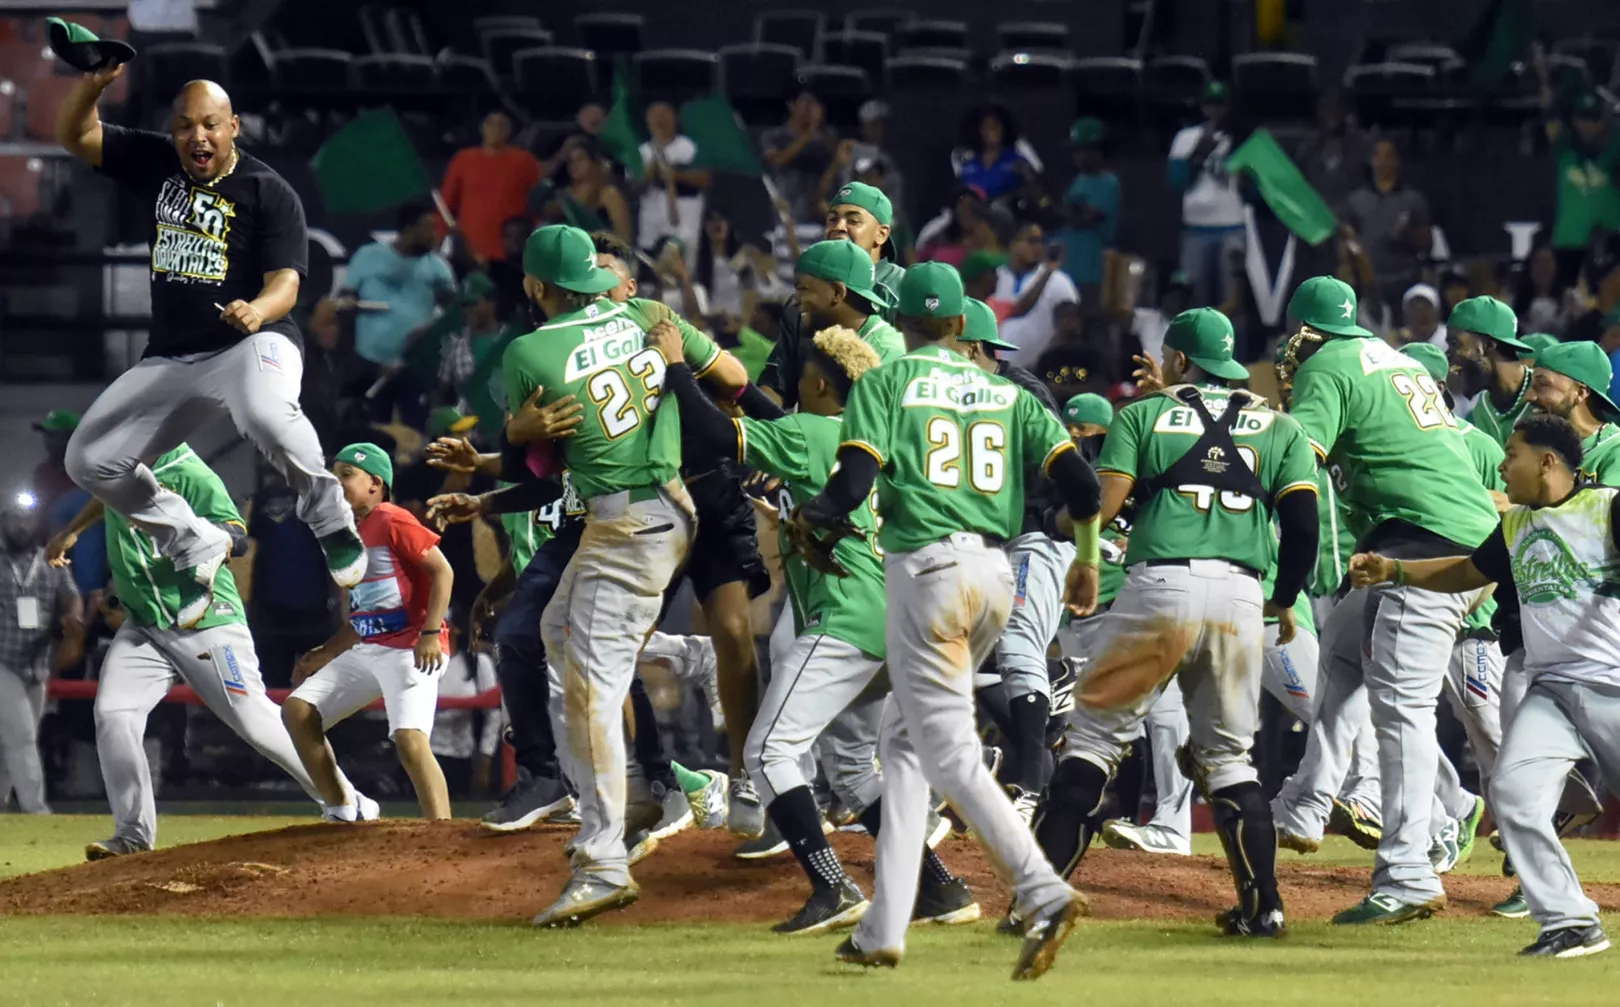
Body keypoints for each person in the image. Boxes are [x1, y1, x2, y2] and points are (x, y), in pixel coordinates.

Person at [793, 262, 1101, 979]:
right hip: (995, 576)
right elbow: (1082, 483)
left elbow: (854, 483)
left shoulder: (885, 382)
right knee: (903, 745)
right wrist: (1085, 555)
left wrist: (815, 516)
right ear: (962, 325)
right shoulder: (1007, 392)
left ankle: (1043, 888)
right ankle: (884, 925)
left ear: (900, 322)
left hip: (928, 574)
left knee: (951, 752)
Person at [653, 322, 979, 933]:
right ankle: (940, 890)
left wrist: (677, 365)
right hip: (904, 623)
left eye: (805, 375)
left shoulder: (811, 430)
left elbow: (715, 433)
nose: (798, 384)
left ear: (823, 384)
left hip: (848, 622)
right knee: (855, 770)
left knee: (769, 749)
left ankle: (834, 887)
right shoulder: (883, 440)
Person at [1034, 307, 1318, 938]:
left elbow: (1100, 508)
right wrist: (1285, 598)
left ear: (1181, 361)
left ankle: (1041, 901)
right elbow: (1302, 528)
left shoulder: (1140, 414)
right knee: (1228, 759)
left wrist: (1065, 537)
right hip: (1242, 595)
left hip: (1158, 585)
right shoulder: (1281, 428)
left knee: (1094, 743)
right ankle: (1263, 907)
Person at [498, 224, 745, 926]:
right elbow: (732, 379)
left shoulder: (528, 347)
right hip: (669, 505)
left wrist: (521, 429)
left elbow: (530, 454)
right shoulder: (647, 314)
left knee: (590, 689)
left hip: (625, 521)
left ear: (537, 286)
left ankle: (602, 858)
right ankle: (639, 772)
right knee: (556, 629)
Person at [53, 71, 366, 621]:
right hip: (173, 357)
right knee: (87, 459)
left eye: (211, 125)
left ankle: (330, 518)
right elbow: (75, 134)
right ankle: (190, 540)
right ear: (172, 132)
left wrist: (259, 307)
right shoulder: (157, 164)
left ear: (234, 129)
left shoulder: (269, 190)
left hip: (254, 343)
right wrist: (94, 83)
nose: (198, 136)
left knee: (266, 414)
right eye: (185, 126)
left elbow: (288, 284)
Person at [1349, 413, 1616, 958]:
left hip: (1612, 685)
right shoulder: (1517, 525)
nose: (1501, 464)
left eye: (1512, 453)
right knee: (1514, 796)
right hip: (1552, 692)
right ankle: (1569, 921)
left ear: (1548, 462)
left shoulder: (1609, 507)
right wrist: (1396, 572)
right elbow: (1468, 572)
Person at [1277, 275, 1500, 924]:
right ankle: (1305, 803)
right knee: (1342, 653)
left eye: (1298, 333)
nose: (1295, 347)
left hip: (1425, 544)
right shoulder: (1390, 356)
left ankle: (1409, 867)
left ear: (1310, 329)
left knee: (1401, 705)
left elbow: (1298, 458)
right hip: (1447, 540)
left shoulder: (1327, 363)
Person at [47, 445, 362, 855]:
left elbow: (237, 537)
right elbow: (107, 492)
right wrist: (74, 528)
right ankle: (133, 836)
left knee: (253, 720)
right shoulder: (118, 461)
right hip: (144, 623)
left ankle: (348, 801)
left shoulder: (189, 470)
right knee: (113, 715)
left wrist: (202, 538)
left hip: (206, 618)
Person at [282, 443, 455, 821]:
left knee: (410, 741)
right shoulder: (345, 532)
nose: (335, 482)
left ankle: (443, 836)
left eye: (346, 474)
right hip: (371, 646)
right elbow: (364, 614)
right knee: (298, 711)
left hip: (412, 647)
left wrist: (429, 633)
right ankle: (343, 807)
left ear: (376, 484)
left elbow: (443, 571)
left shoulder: (393, 519)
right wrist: (327, 652)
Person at [760, 182, 905, 409]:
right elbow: (777, 384)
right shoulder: (804, 300)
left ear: (881, 234)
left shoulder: (900, 291)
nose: (839, 227)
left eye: (853, 220)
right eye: (832, 219)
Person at [342, 198, 459, 425]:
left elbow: (454, 314)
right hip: (369, 363)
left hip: (413, 364)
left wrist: (431, 330)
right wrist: (349, 305)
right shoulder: (369, 256)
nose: (434, 234)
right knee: (371, 432)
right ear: (409, 229)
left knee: (416, 431)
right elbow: (346, 297)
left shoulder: (438, 268)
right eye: (428, 228)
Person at [0, 496, 82, 813]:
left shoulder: (51, 560)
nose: (21, 526)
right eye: (14, 519)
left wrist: (73, 617)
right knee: (21, 738)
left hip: (38, 663)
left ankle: (2, 805)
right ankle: (36, 809)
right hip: (3, 660)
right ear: (3, 521)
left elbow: (72, 595)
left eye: (27, 519)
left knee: (14, 739)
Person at [1536, 45, 1620, 285]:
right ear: (1574, 119)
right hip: (1569, 242)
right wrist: (1543, 79)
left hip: (1613, 239)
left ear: (1603, 121)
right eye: (1583, 118)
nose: (1587, 125)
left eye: (1593, 118)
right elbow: (1550, 115)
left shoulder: (1615, 148)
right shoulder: (1566, 150)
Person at [1168, 80, 1245, 309]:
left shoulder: (1240, 138)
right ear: (1203, 107)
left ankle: (1232, 346)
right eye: (1211, 104)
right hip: (1195, 229)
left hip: (1232, 226)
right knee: (1193, 300)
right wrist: (1198, 152)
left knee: (1231, 300)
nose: (1215, 110)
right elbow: (1175, 181)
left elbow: (1254, 187)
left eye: (1220, 104)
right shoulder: (1185, 137)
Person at [1344, 139, 1433, 322]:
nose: (1383, 161)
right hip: (1369, 285)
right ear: (1372, 160)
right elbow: (1348, 241)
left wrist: (1408, 233)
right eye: (1379, 156)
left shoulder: (1413, 200)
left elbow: (1427, 243)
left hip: (1404, 282)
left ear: (1396, 160)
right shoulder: (1356, 200)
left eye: (1389, 156)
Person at [440, 111, 540, 265]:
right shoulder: (463, 159)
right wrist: (439, 235)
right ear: (482, 128)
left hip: (511, 251)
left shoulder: (525, 161)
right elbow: (446, 202)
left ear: (510, 130)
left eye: (502, 125)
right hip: (470, 249)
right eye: (491, 124)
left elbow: (537, 201)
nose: (496, 128)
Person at [1526, 340, 1620, 484]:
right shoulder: (1537, 444)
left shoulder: (1614, 449)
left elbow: (1609, 505)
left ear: (1580, 393)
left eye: (1543, 385)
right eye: (1532, 386)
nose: (1529, 396)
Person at [1449, 295, 1537, 447]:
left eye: (1454, 343)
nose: (1448, 355)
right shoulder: (1476, 414)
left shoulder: (1545, 399)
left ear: (1488, 345)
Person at [993, 222, 1081, 372]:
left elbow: (1070, 329)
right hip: (996, 368)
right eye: (1032, 241)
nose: (1038, 247)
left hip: (1037, 370)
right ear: (1013, 243)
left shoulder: (1059, 280)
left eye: (1042, 241)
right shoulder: (997, 276)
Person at [1055, 118, 1120, 306]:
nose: (1077, 156)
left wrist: (1065, 209)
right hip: (1069, 267)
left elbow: (1085, 218)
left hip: (1092, 270)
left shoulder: (1108, 182)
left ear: (1096, 150)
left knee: (1092, 323)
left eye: (1081, 150)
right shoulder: (1079, 179)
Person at [637, 101, 709, 259]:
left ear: (676, 118)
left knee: (684, 269)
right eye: (655, 116)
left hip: (686, 221)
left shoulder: (690, 148)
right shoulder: (641, 152)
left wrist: (675, 175)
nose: (660, 119)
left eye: (665, 114)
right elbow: (634, 189)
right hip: (651, 224)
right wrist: (650, 172)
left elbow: (705, 178)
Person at [763, 91, 839, 224]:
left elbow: (837, 160)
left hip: (817, 212)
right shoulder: (774, 136)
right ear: (792, 106)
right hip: (787, 211)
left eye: (815, 104)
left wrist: (818, 128)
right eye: (806, 103)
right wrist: (809, 133)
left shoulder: (825, 137)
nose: (810, 109)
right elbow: (777, 161)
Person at [550, 136, 633, 245]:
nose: (575, 165)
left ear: (595, 162)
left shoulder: (609, 194)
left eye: (580, 159)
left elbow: (624, 237)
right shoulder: (567, 195)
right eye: (571, 161)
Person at [952, 107, 1036, 204]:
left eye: (996, 125)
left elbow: (1036, 190)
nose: (992, 129)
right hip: (973, 213)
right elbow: (960, 196)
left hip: (1005, 214)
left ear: (1003, 129)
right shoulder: (967, 166)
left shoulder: (1016, 160)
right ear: (980, 131)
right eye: (987, 126)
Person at [1514, 246, 1575, 337]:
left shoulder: (1570, 298)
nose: (1543, 268)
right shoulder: (1515, 302)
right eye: (1538, 263)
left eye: (1547, 262)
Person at [1391, 284, 1446, 348]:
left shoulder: (1450, 339)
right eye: (1415, 309)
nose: (1421, 314)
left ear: (1437, 313)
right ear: (1406, 316)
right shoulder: (1399, 343)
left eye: (1427, 308)